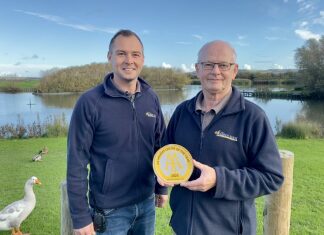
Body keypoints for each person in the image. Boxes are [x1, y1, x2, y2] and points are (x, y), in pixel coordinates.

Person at [159, 40, 284, 235]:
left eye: (223, 65)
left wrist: (219, 179)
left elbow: (271, 177)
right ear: (197, 69)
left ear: (234, 71)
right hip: (183, 227)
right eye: (208, 64)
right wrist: (163, 173)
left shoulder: (253, 117)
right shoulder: (182, 111)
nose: (215, 71)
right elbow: (166, 153)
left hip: (229, 230)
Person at [67, 29, 168, 235]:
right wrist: (80, 217)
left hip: (146, 205)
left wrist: (161, 188)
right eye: (121, 53)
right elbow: (76, 162)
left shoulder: (151, 97)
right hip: (109, 212)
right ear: (110, 57)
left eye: (135, 54)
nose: (129, 60)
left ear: (143, 59)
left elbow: (160, 146)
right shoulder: (90, 102)